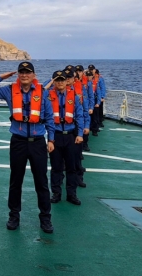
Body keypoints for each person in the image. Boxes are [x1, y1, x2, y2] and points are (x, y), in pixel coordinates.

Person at [0, 61, 55, 234]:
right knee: (16, 181)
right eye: (21, 72)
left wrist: (51, 139)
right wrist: (1, 76)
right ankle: (14, 216)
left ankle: (45, 218)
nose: (24, 75)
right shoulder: (9, 91)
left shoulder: (43, 93)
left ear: (33, 75)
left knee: (42, 182)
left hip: (38, 142)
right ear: (18, 74)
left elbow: (50, 118)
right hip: (18, 142)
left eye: (27, 72)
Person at [47, 70, 84, 205]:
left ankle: (71, 194)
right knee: (56, 167)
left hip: (70, 136)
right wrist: (50, 139)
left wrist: (80, 134)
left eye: (62, 80)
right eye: (57, 80)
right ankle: (56, 193)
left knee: (71, 167)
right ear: (54, 82)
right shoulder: (47, 96)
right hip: (55, 136)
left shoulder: (74, 96)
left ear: (66, 81)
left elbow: (79, 116)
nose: (60, 82)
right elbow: (40, 90)